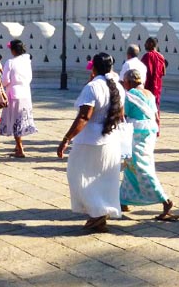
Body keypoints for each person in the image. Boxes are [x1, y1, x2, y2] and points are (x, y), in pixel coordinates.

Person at [57, 52, 125, 232]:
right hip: (111, 140)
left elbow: (84, 117)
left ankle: (96, 213)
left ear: (94, 67)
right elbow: (121, 115)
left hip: (89, 141)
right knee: (103, 179)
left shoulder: (93, 87)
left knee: (77, 175)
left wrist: (66, 139)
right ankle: (99, 213)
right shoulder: (118, 86)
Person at [120, 69, 178, 220]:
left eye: (125, 81)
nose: (124, 84)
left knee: (140, 167)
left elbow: (123, 115)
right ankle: (123, 199)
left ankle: (164, 199)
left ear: (129, 82)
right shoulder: (149, 94)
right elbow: (155, 115)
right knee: (130, 165)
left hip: (136, 134)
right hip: (149, 134)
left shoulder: (129, 95)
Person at [0, 39, 37, 157]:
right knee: (22, 119)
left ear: (13, 50)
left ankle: (20, 149)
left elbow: (5, 81)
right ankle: (18, 146)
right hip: (25, 92)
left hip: (13, 93)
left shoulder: (10, 62)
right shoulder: (27, 61)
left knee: (15, 121)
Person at [141, 37, 166, 110]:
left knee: (147, 107)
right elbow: (164, 72)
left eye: (146, 43)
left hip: (148, 85)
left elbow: (142, 71)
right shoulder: (161, 56)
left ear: (151, 44)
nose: (144, 45)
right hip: (158, 86)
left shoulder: (147, 56)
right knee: (155, 106)